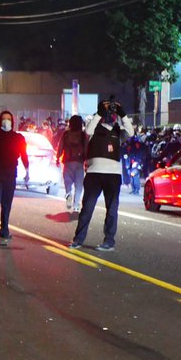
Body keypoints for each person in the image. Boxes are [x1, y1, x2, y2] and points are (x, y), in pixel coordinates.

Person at [70, 99, 134, 252]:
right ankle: (78, 239)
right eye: (108, 113)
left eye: (111, 113)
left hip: (113, 175)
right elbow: (88, 131)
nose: (110, 115)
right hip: (94, 173)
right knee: (87, 208)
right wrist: (100, 111)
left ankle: (109, 241)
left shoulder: (118, 132)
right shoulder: (94, 130)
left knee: (112, 209)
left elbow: (131, 132)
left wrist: (122, 113)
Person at [0, 110, 29, 245]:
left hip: (10, 174)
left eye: (8, 119)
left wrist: (27, 170)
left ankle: (4, 230)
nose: (6, 121)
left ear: (12, 121)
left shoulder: (18, 138)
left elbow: (24, 154)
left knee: (6, 204)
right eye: (4, 119)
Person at [55, 115, 87, 214]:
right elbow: (86, 149)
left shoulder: (66, 134)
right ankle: (76, 206)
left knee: (68, 183)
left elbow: (60, 147)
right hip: (79, 163)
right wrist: (86, 162)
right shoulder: (83, 135)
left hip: (67, 162)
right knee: (79, 186)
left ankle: (68, 194)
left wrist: (57, 158)